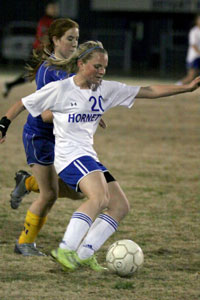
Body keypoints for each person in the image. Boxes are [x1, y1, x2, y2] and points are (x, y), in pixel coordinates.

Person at [1, 41, 200, 271]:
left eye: (104, 67)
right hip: (69, 156)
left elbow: (149, 91)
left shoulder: (105, 89)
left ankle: (85, 253)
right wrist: (3, 125)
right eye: (97, 66)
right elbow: (22, 103)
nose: (101, 72)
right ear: (81, 64)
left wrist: (186, 88)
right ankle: (66, 248)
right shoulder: (61, 89)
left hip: (88, 156)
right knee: (99, 197)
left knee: (120, 206)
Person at [0, 18, 83, 256]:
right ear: (56, 40)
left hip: (61, 137)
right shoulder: (49, 71)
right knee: (50, 194)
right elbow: (46, 115)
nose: (74, 43)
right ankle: (24, 243)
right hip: (41, 136)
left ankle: (26, 182)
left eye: (76, 39)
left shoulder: (71, 67)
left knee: (77, 191)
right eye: (69, 39)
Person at [2, 0, 59, 98]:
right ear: (47, 9)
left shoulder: (54, 21)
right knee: (33, 74)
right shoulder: (44, 21)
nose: (54, 10)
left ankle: (10, 85)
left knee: (34, 74)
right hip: (39, 52)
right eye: (52, 8)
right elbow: (42, 37)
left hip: (46, 51)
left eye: (55, 8)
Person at [177, 14, 200, 85]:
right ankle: (177, 85)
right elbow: (193, 45)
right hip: (194, 57)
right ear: (197, 21)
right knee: (191, 77)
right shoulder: (194, 31)